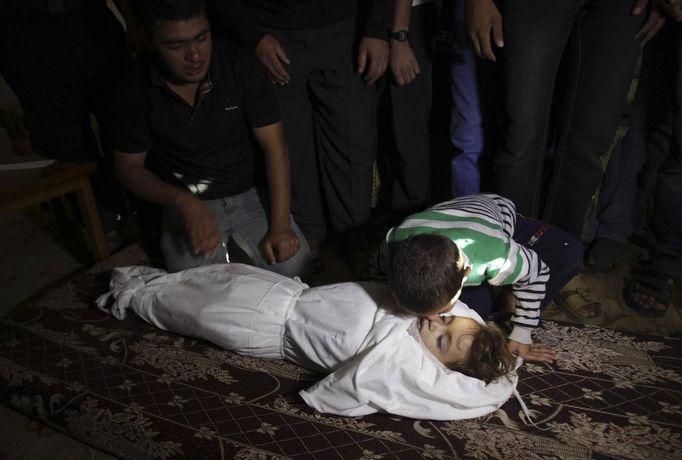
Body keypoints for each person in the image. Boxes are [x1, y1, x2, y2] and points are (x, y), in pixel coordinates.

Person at [96, 262, 519, 420]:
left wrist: (499, 385)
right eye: (446, 320)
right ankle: (152, 280)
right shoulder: (439, 316)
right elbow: (467, 318)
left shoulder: (398, 361)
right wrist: (500, 356)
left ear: (438, 364)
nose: (436, 323)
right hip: (286, 292)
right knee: (212, 278)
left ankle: (135, 294)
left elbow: (464, 392)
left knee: (192, 311)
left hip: (262, 327)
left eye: (442, 340)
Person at [109, 0, 311, 277]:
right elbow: (127, 168)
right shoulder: (134, 86)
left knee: (296, 269)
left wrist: (280, 224)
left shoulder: (237, 63)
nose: (194, 55)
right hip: (184, 200)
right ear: (149, 41)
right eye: (176, 45)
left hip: (250, 194)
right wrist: (182, 202)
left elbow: (275, 148)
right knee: (197, 292)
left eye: (201, 38)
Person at [207, 0, 392, 267]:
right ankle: (307, 239)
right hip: (271, 30)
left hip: (345, 25)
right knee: (289, 142)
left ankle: (355, 241)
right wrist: (253, 35)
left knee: (352, 144)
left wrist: (377, 29)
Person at [377, 193, 583, 361]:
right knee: (476, 312)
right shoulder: (393, 241)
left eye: (440, 311)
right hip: (445, 216)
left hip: (497, 213)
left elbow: (537, 273)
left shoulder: (496, 254)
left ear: (467, 274)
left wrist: (522, 332)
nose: (432, 320)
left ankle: (512, 297)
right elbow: (377, 273)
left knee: (569, 252)